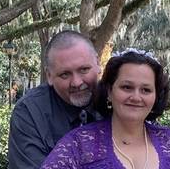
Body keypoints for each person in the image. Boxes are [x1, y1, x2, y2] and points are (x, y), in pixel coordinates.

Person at [40, 49, 170, 169]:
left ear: (155, 96)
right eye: (127, 87)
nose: (136, 97)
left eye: (146, 90)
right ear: (109, 91)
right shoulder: (78, 144)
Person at [8, 31, 102, 169]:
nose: (76, 82)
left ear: (98, 63)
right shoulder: (30, 112)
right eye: (65, 74)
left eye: (83, 69)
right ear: (49, 75)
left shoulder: (118, 101)